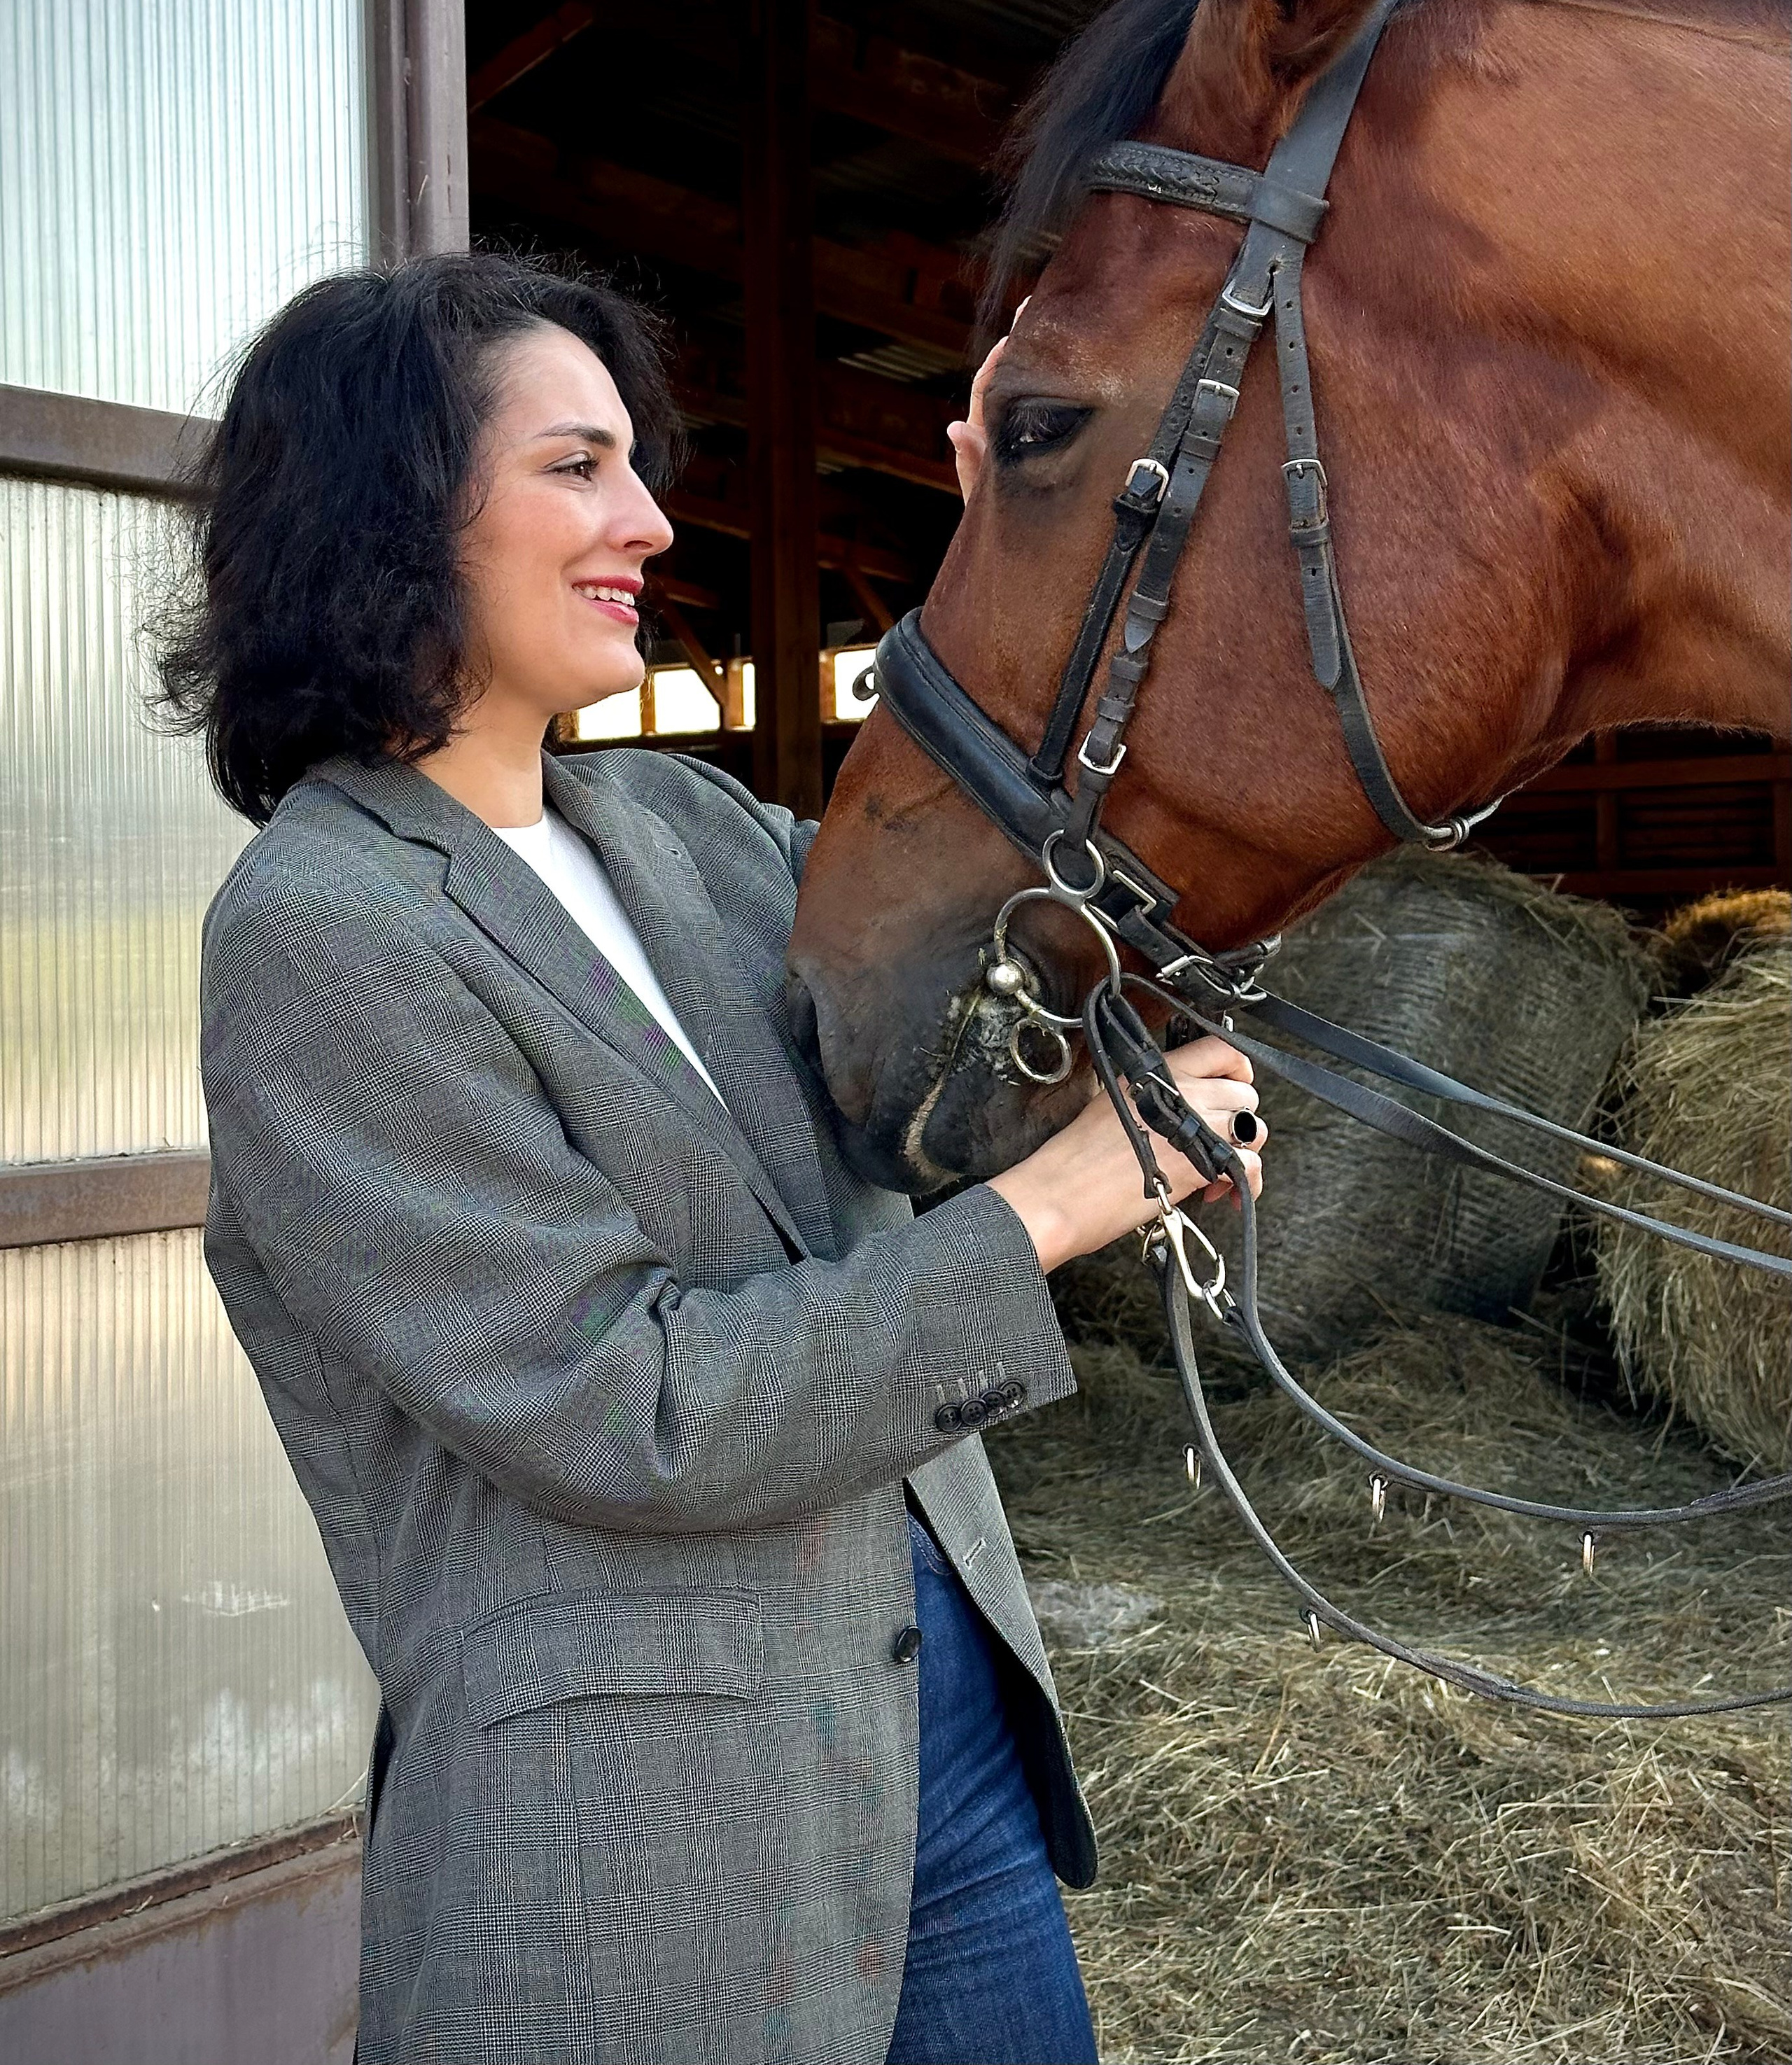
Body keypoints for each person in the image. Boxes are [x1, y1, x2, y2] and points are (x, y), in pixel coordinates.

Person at [161, 253, 1266, 2065]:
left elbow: (964, 1012)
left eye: (635, 468)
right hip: (650, 1845)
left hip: (943, 1749)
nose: (652, 522)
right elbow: (637, 1409)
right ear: (388, 508)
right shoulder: (325, 932)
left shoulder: (683, 828)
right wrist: (1059, 1205)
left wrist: (1018, 521)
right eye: (577, 467)